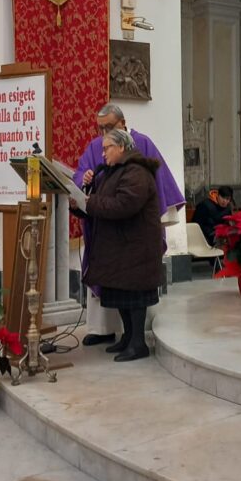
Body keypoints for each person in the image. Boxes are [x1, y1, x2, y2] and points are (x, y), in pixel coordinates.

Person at [74, 103, 184, 345]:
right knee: (117, 287)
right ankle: (105, 329)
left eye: (109, 128)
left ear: (122, 125)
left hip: (132, 236)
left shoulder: (140, 150)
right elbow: (81, 173)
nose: (103, 136)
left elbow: (126, 202)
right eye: (100, 128)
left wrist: (91, 203)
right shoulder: (97, 147)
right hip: (111, 234)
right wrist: (84, 179)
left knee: (132, 291)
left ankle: (133, 338)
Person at [79, 128, 163, 361]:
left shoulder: (136, 172)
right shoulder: (113, 172)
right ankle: (128, 338)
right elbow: (102, 202)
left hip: (136, 249)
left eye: (107, 148)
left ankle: (138, 343)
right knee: (123, 295)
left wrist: (90, 202)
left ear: (122, 147)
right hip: (122, 249)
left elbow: (123, 205)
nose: (103, 153)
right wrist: (82, 200)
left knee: (134, 297)